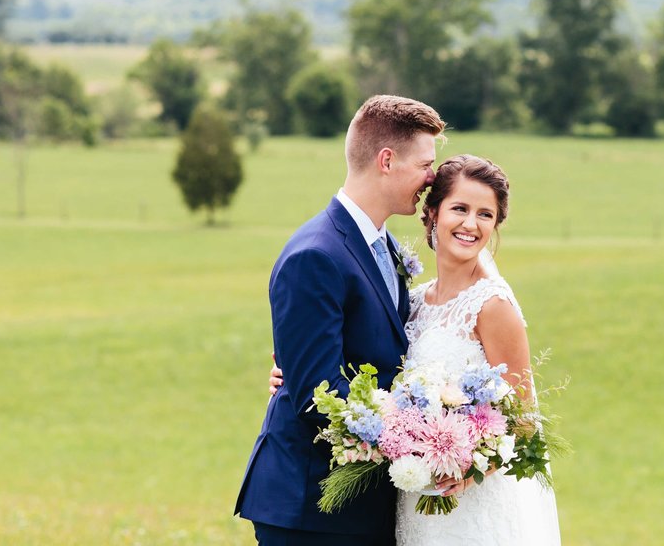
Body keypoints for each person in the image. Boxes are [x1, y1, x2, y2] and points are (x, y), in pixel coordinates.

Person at [270, 154, 561, 545]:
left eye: (485, 215)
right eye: (460, 208)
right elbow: (368, 360)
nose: (471, 224)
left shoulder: (493, 306)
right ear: (432, 213)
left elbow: (525, 420)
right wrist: (290, 372)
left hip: (471, 505)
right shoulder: (414, 302)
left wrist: (472, 468)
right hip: (413, 503)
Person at [235, 94, 445, 546]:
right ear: (386, 160)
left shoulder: (381, 245)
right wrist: (430, 436)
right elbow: (317, 395)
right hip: (312, 511)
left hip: (362, 504)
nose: (433, 178)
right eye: (426, 164)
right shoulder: (316, 255)